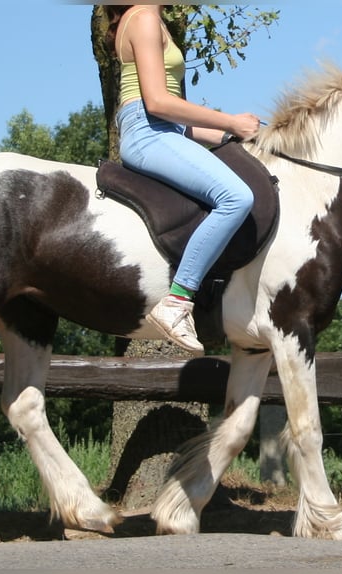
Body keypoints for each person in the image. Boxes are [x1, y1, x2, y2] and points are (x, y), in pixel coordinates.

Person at [105, 4, 262, 354]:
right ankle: (178, 301)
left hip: (163, 131)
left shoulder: (152, 19)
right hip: (148, 132)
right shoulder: (144, 17)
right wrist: (230, 122)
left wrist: (227, 136)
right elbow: (158, 103)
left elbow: (173, 119)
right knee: (236, 197)